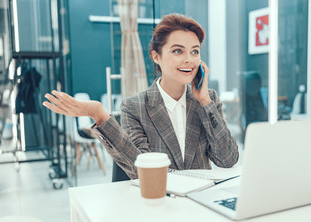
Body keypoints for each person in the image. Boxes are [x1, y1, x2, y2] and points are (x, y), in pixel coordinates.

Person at [43, 13, 239, 179]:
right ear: (156, 56)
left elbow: (228, 159)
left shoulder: (208, 100)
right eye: (178, 50)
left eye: (195, 51)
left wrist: (204, 102)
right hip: (160, 205)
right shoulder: (135, 106)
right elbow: (141, 171)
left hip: (201, 206)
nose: (189, 59)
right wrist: (99, 115)